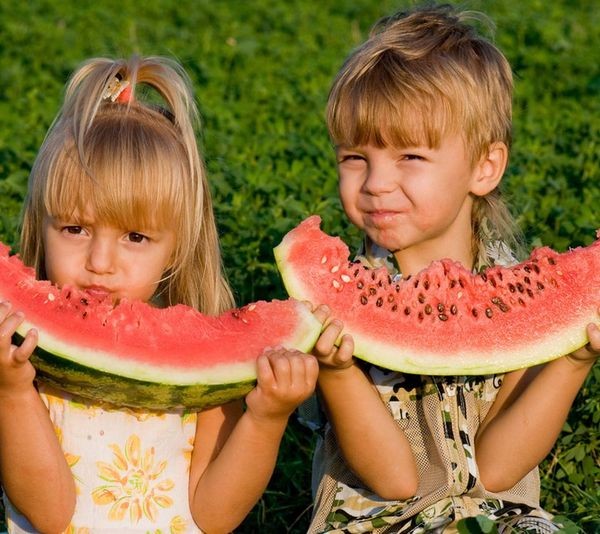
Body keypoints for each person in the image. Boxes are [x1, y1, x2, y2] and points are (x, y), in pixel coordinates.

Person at [306, 5, 600, 533]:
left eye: (410, 157)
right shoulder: (337, 304)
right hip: (378, 520)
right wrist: (336, 369)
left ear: (484, 168)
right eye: (354, 157)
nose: (375, 182)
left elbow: (500, 467)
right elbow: (394, 479)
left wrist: (574, 358)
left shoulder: (517, 294)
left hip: (501, 516)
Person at [0, 55, 321, 533]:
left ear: (176, 248)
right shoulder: (28, 363)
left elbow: (215, 516)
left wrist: (266, 417)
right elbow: (48, 515)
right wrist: (12, 392)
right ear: (40, 228)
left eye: (135, 237)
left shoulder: (205, 371)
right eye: (74, 228)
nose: (100, 262)